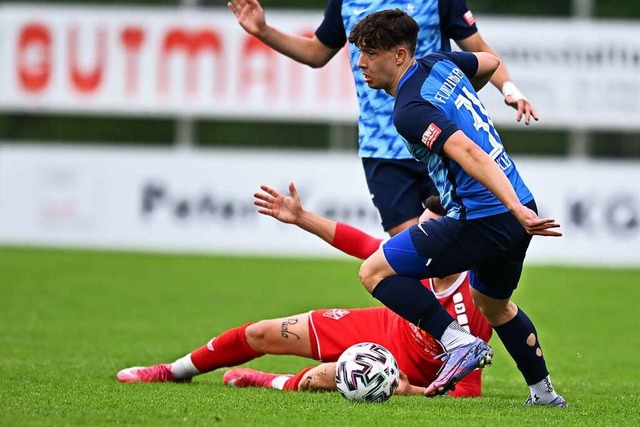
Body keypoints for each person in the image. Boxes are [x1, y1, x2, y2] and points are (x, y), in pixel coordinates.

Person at [347, 10, 566, 406]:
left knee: (374, 272)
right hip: (515, 205)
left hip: (483, 217)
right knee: (493, 305)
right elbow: (490, 62)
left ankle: (455, 341)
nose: (360, 64)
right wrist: (496, 93)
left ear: (399, 55)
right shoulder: (440, 64)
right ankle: (544, 394)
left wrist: (514, 209)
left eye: (369, 53)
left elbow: (467, 150)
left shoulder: (409, 109)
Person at [117, 186, 492, 397]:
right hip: (378, 327)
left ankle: (267, 380)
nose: (415, 238)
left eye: (425, 233)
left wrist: (408, 391)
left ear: (448, 241)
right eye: (417, 230)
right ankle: (173, 371)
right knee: (259, 332)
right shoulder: (411, 257)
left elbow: (468, 392)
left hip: (408, 371)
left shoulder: (476, 302)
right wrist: (300, 217)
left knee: (323, 379)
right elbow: (359, 242)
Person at [227, 0, 537, 237]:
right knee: (414, 257)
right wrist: (262, 30)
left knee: (455, 255)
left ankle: (462, 321)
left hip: (440, 142)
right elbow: (316, 53)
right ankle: (445, 324)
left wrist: (509, 88)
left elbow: (478, 49)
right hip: (382, 148)